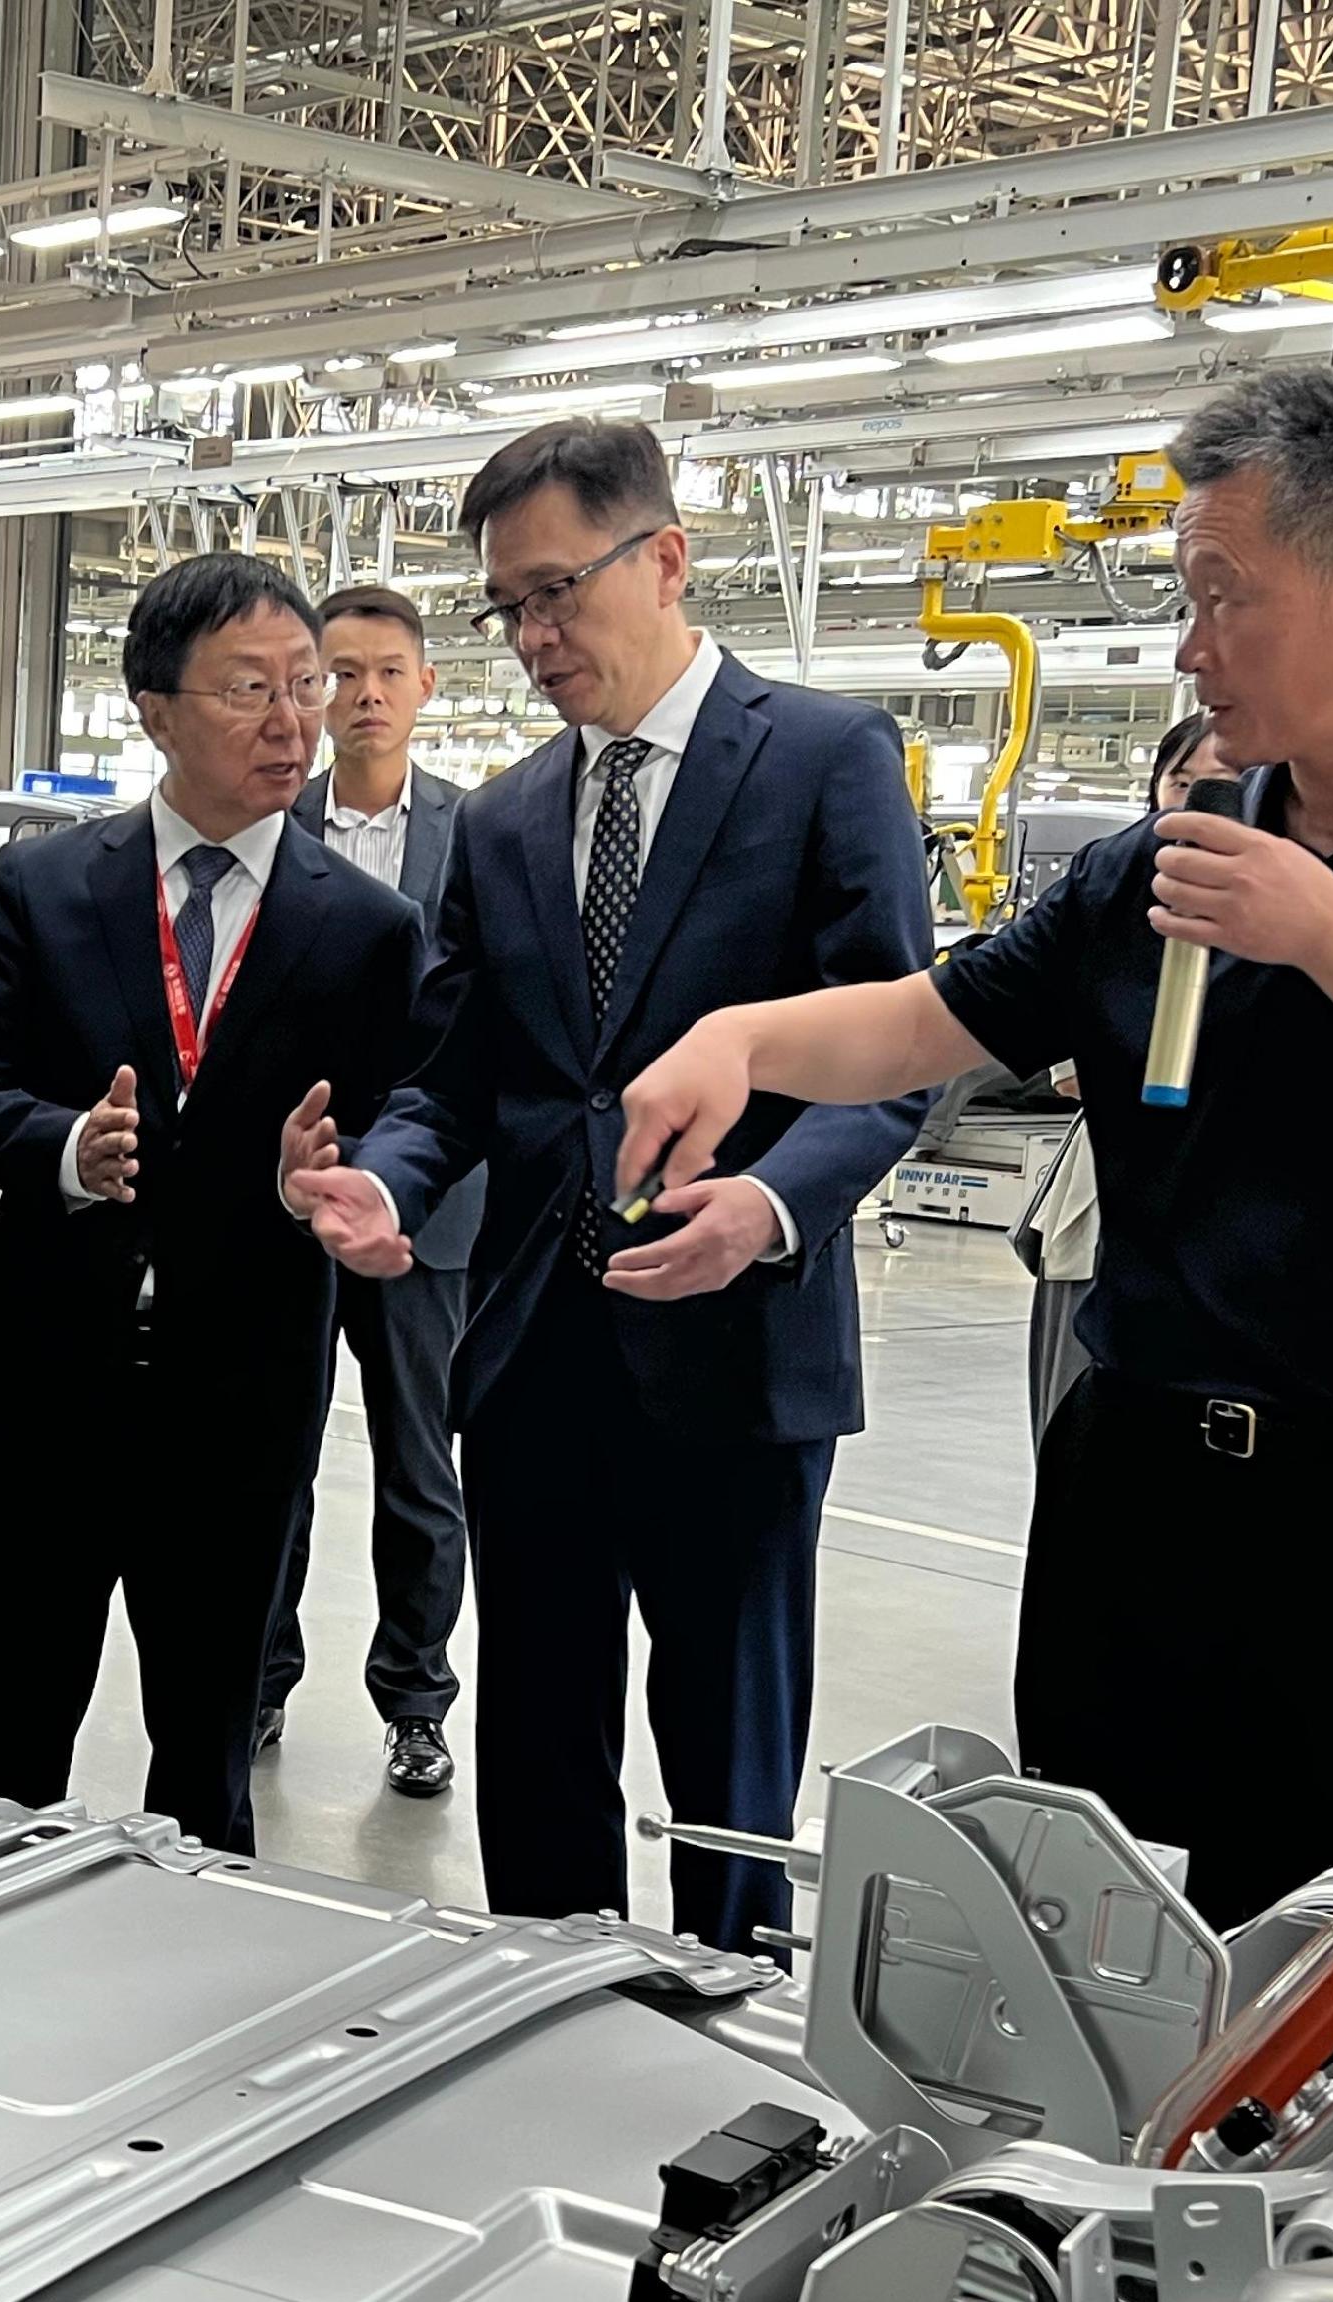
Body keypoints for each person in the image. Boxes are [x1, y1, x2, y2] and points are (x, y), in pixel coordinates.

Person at [586, 368, 1333, 1927]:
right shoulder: (1170, 856)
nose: (1189, 648)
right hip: (1146, 1494)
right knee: (1101, 1943)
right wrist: (744, 1041)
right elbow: (934, 1021)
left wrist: (1329, 932)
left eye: (1220, 598)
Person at [285, 420, 934, 1947]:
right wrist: (383, 1182)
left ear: (665, 558)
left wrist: (769, 1209)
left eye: (558, 591)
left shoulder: (827, 759)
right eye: (508, 608)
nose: (533, 636)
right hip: (537, 1349)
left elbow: (899, 1044)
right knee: (539, 1741)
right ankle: (543, 2005)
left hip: (738, 1349)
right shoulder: (509, 816)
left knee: (728, 1752)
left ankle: (723, 2044)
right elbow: (454, 1076)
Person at [0, 554, 424, 1855]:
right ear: (154, 707)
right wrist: (63, 1146)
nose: (291, 722)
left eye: (304, 688)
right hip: (48, 1377)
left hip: (239, 1388)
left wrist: (327, 1177)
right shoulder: (45, 886)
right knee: (15, 1725)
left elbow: (398, 1115)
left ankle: (196, 1989)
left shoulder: (364, 926)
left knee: (206, 1750)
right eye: (248, 689)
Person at [261, 582, 473, 1802]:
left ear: (425, 685)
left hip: (428, 1218)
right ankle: (260, 1675)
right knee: (269, 1453)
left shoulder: (478, 834)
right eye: (339, 673)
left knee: (417, 1469)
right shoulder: (269, 823)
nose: (364, 694)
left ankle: (415, 1702)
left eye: (388, 670)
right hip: (289, 1204)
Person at [1023, 711, 1236, 1437]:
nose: (1195, 805)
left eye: (1222, 787)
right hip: (1104, 1215)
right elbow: (1064, 1072)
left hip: (1216, 1245)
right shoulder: (1108, 896)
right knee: (1071, 1417)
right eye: (1181, 783)